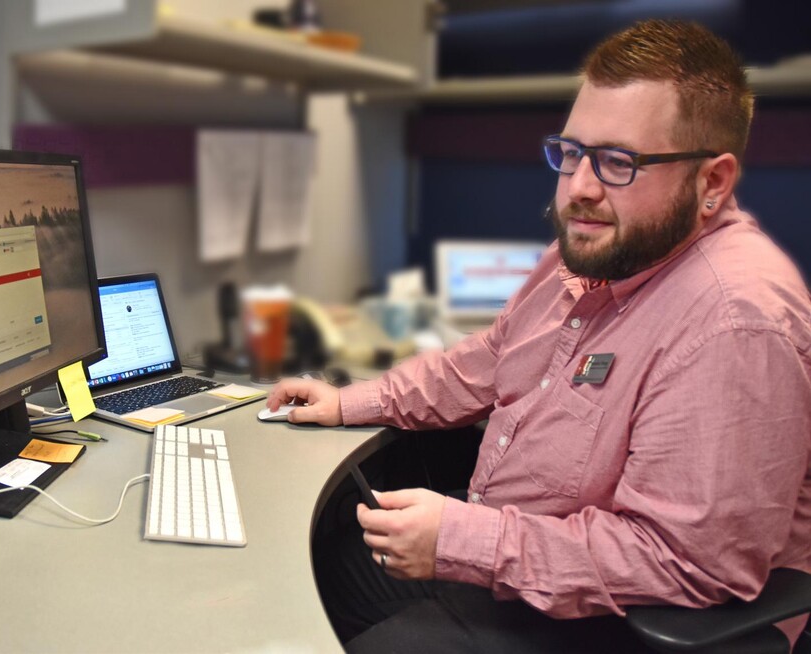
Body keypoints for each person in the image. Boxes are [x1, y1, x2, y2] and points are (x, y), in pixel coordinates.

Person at [267, 19, 811, 652]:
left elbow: (688, 564)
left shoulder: (733, 323)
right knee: (311, 562)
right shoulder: (595, 248)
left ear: (711, 183)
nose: (579, 187)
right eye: (572, 153)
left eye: (618, 162)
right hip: (521, 565)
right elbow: (489, 358)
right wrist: (348, 402)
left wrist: (464, 541)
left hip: (616, 621)